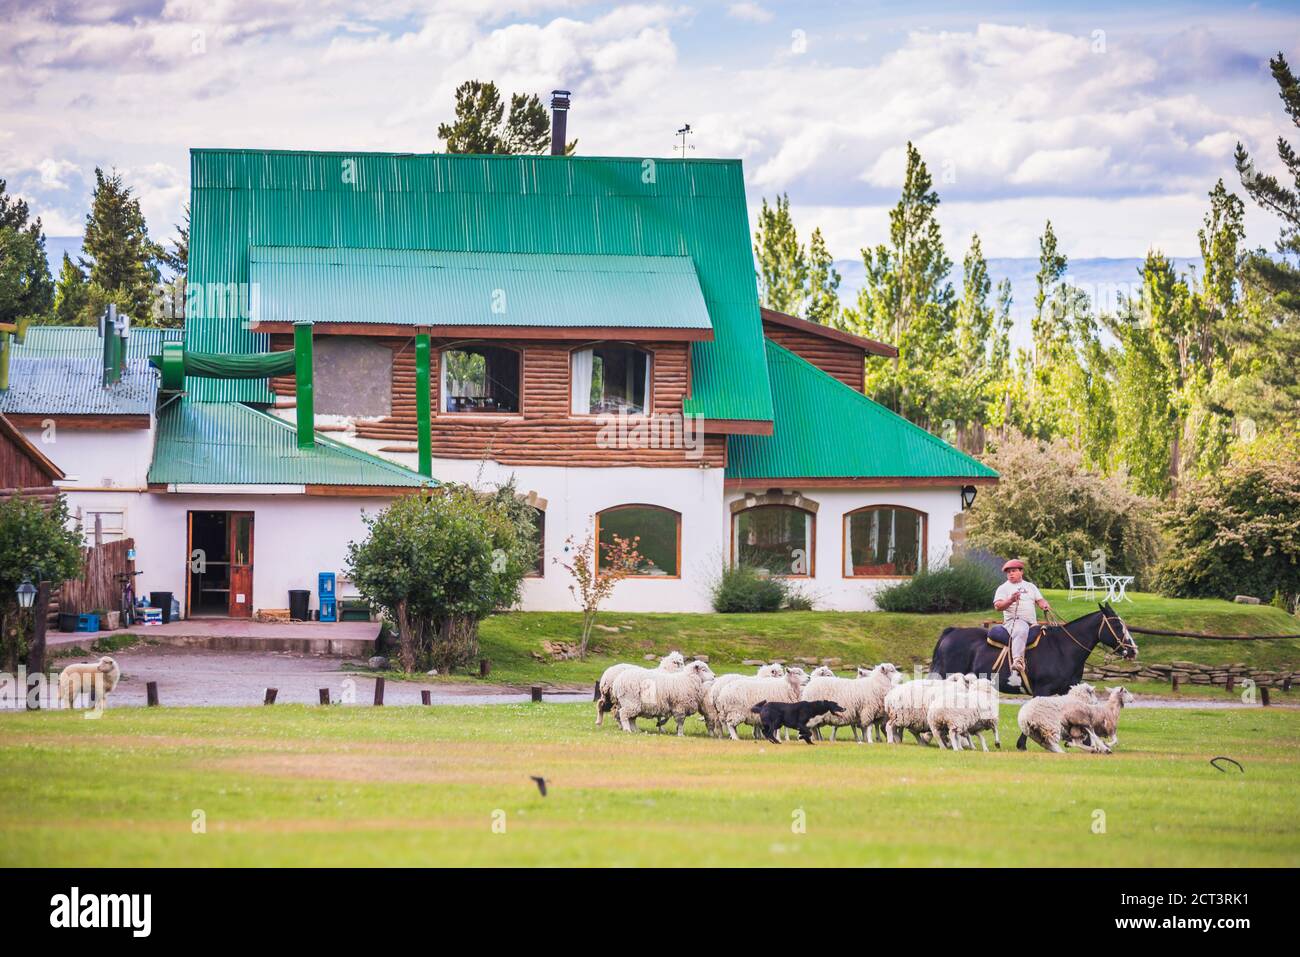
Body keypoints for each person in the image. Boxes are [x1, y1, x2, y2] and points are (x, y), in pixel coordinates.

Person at [993, 559, 1051, 686]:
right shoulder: (1003, 588)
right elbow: (998, 606)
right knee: (1021, 629)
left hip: (1033, 623)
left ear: (1021, 572)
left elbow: (1040, 600)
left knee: (1049, 634)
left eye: (1013, 571)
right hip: (1013, 622)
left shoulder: (1031, 586)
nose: (1010, 574)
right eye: (1008, 572)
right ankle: (1018, 661)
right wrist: (1010, 600)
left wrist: (1044, 604)